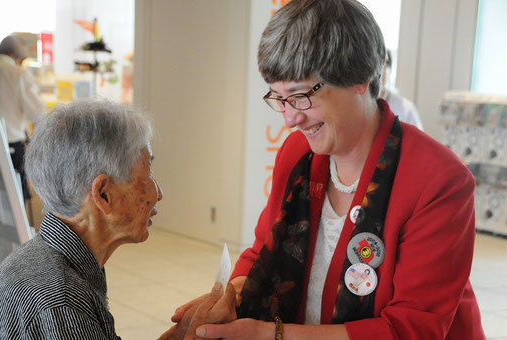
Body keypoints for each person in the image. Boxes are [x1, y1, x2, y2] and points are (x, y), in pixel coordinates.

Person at [172, 0, 485, 339]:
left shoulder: (438, 180)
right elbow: (265, 247)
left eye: (301, 95)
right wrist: (229, 298)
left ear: (360, 78)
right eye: (279, 98)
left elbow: (411, 329)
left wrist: (270, 334)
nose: (290, 118)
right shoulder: (298, 154)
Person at [0, 99, 235, 339]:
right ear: (103, 194)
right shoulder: (63, 301)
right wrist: (197, 335)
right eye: (147, 172)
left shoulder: (51, 262)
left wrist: (182, 332)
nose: (158, 193)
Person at [0, 35, 45, 201]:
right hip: (10, 145)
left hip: (6, 144)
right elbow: (36, 112)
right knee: (15, 201)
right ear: (18, 57)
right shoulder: (17, 73)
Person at [381, 49, 424, 130]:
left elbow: (416, 140)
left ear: (388, 70)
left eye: (382, 67)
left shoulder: (406, 109)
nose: (377, 74)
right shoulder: (360, 105)